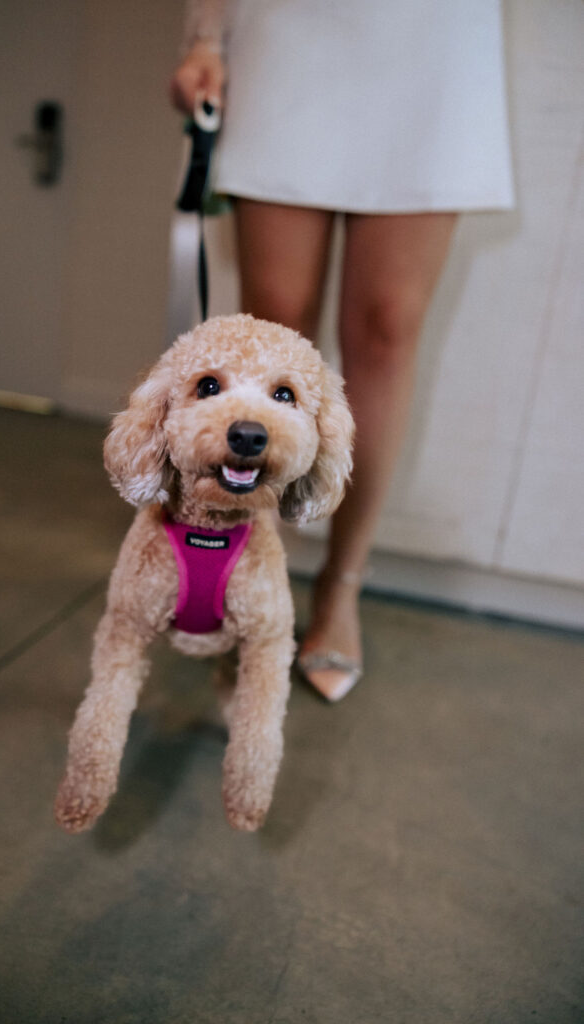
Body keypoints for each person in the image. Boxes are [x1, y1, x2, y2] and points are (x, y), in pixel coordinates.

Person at [169, 0, 514, 701]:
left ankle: (341, 585)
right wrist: (205, 35)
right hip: (291, 33)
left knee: (386, 330)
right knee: (274, 331)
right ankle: (249, 578)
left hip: (430, 39)